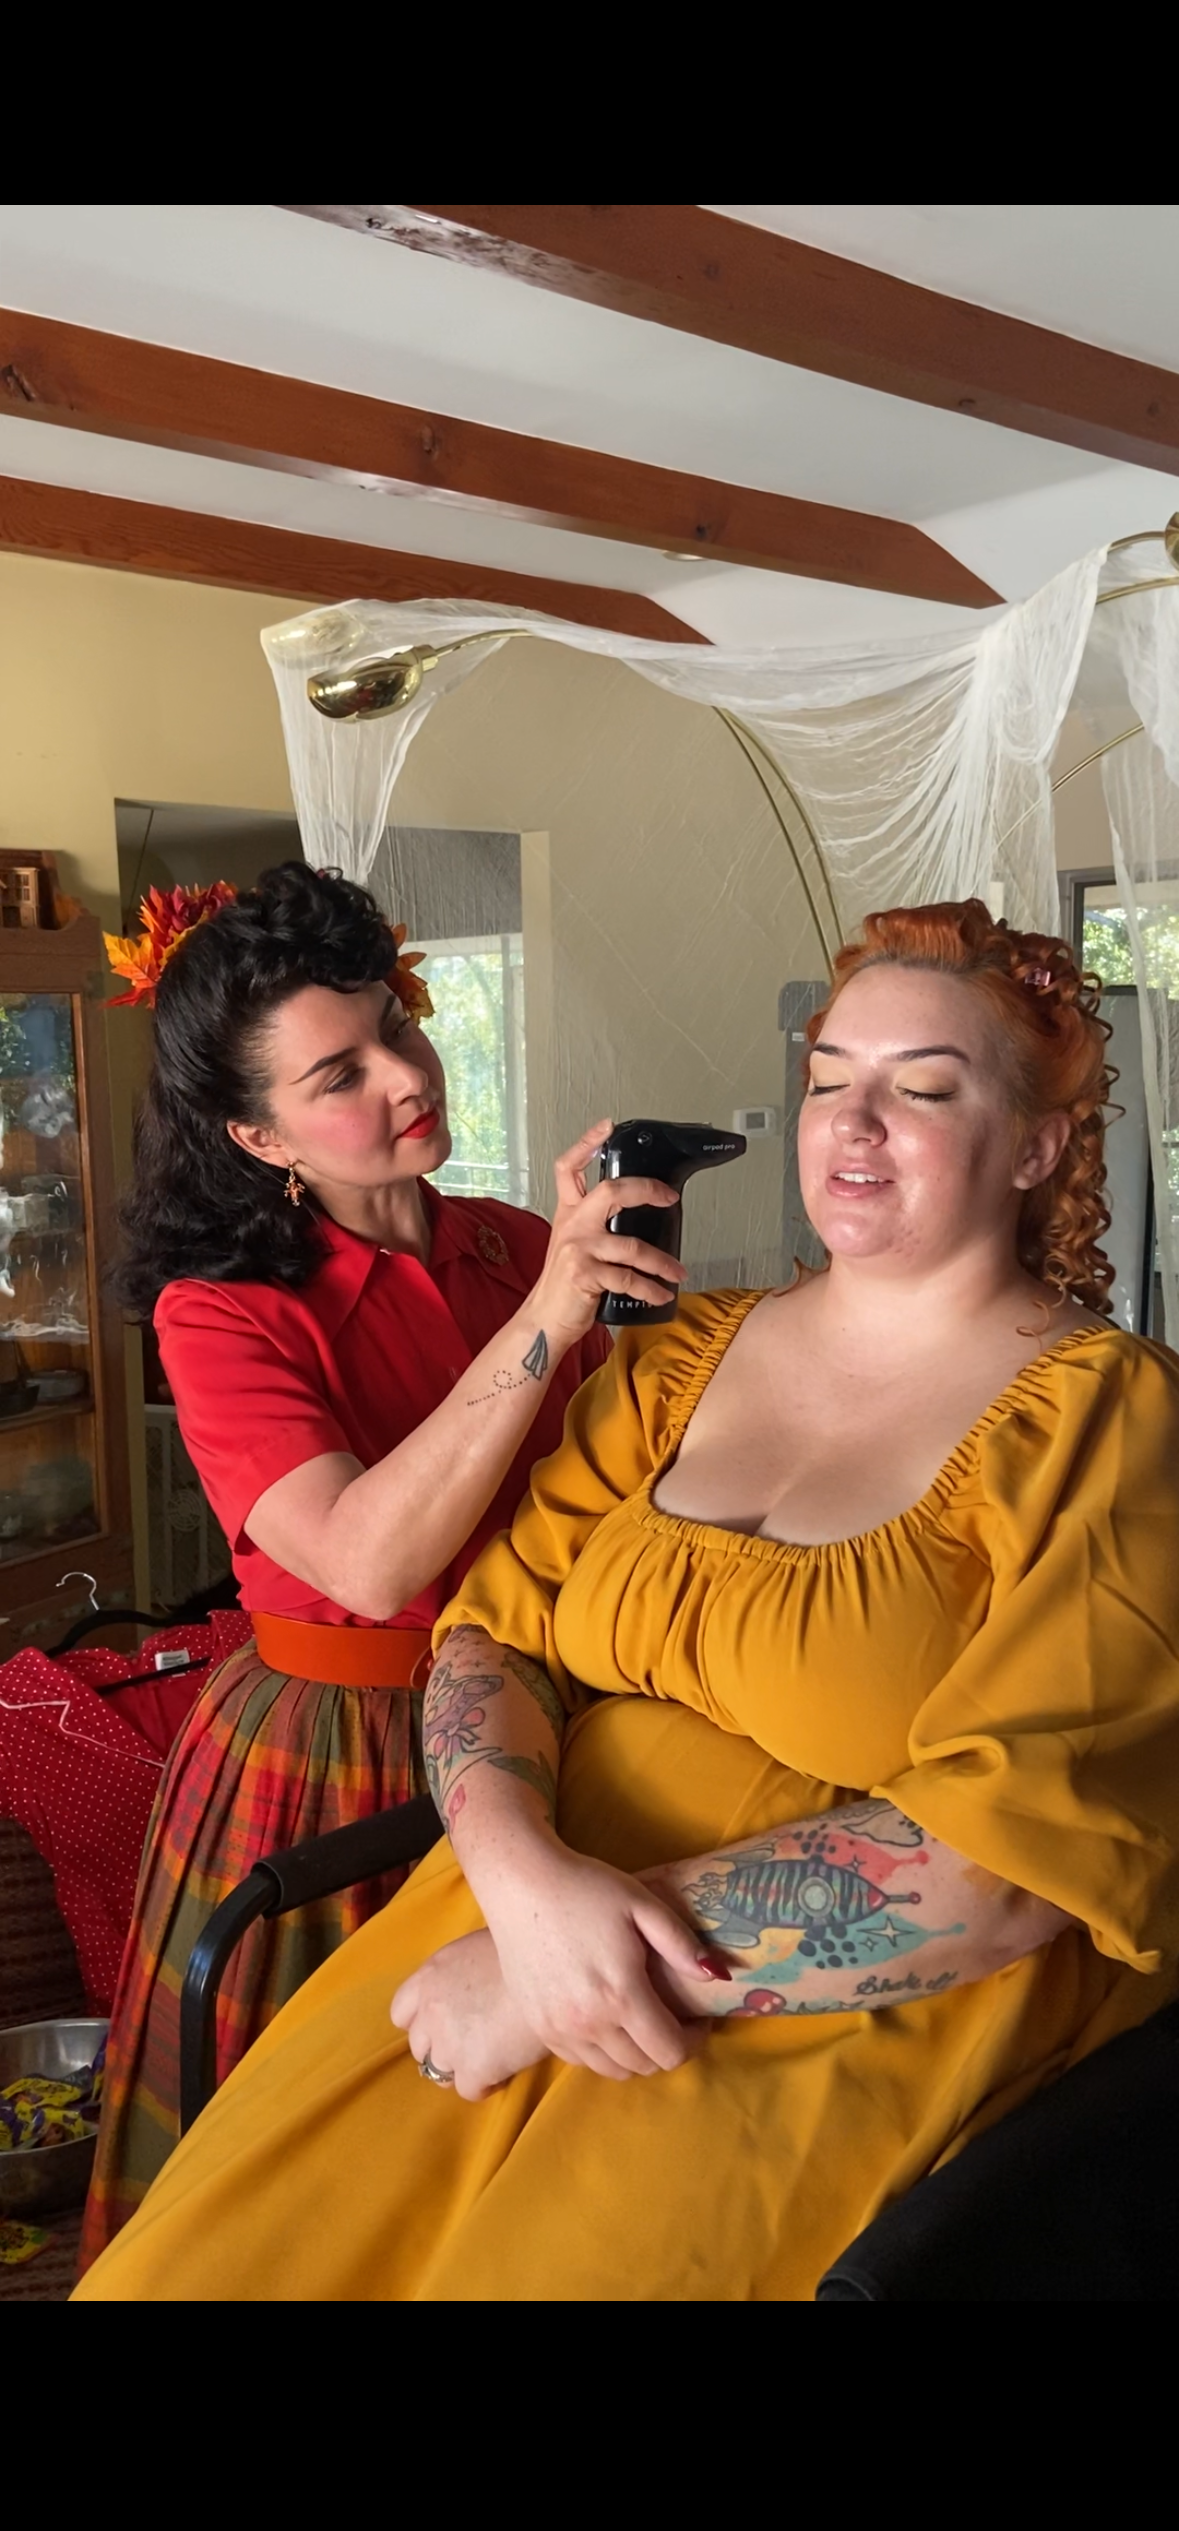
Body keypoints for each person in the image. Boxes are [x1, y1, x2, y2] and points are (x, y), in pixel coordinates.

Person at [74, 900, 1179, 2304]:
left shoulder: (1106, 1416)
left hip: (811, 2004)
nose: (851, 1123)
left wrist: (557, 1977)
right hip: (498, 1879)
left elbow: (1010, 1860)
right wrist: (525, 1889)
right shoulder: (677, 1355)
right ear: (262, 1138)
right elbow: (480, 1623)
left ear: (1032, 1145)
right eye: (829, 1077)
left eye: (922, 1089)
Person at [78, 861, 682, 2269]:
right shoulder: (221, 1312)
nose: (405, 1075)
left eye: (394, 1027)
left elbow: (627, 1493)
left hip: (545, 1716)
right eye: (338, 1072)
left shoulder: (520, 1249)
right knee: (306, 2156)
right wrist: (549, 1316)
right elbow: (362, 1559)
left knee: (514, 2141)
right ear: (255, 1133)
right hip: (337, 1747)